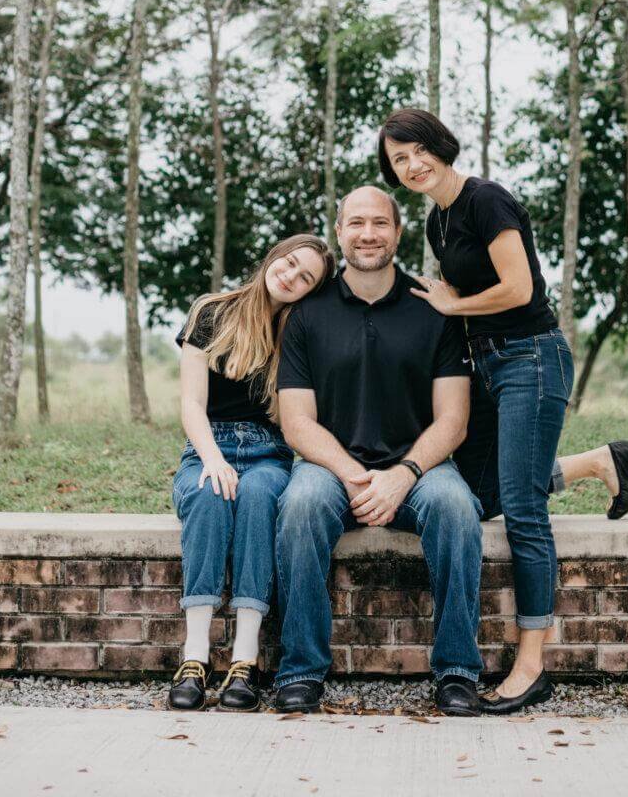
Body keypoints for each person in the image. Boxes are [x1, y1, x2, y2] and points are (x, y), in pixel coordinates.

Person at [378, 107, 628, 715]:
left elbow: (520, 290)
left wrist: (452, 307)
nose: (413, 165)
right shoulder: (437, 221)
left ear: (441, 146)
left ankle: (530, 664)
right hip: (484, 366)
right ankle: (599, 461)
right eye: (398, 160)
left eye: (419, 151)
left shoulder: (485, 200)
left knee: (522, 512)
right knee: (477, 493)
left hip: (530, 358)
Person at [272, 186, 485, 717]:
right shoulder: (306, 313)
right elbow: (297, 422)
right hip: (330, 466)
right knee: (298, 506)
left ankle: (457, 671)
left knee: (458, 508)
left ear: (398, 231)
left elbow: (453, 419)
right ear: (339, 231)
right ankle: (300, 671)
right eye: (357, 223)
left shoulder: (433, 309)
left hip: (420, 466)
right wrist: (354, 475)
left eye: (380, 224)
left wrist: (404, 474)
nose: (369, 234)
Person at [168, 234, 335, 713]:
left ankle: (245, 659)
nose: (291, 276)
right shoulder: (211, 311)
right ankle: (194, 657)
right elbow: (191, 404)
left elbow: (295, 418)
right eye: (290, 263)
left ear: (310, 292)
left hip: (269, 454)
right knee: (208, 496)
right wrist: (214, 461)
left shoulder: (299, 333)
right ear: (274, 257)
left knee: (261, 497)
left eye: (306, 278)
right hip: (208, 447)